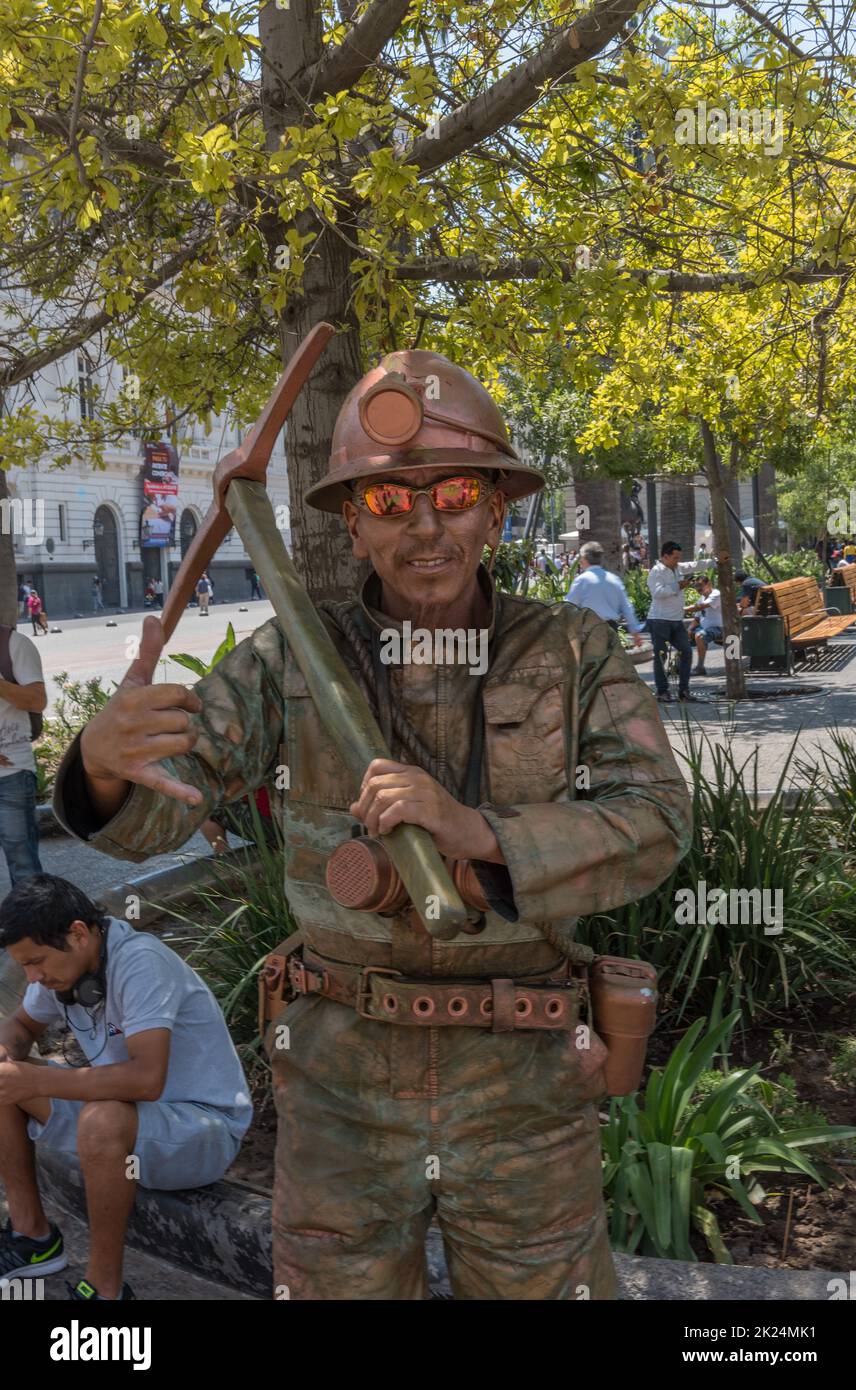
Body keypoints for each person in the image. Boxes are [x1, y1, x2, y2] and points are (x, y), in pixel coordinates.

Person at [52, 349, 692, 1302]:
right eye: (389, 502)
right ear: (353, 525)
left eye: (456, 492)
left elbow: (656, 822)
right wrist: (102, 769)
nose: (425, 524)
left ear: (497, 509)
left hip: (525, 1084)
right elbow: (155, 816)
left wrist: (480, 834)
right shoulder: (286, 661)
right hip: (339, 1087)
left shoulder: (572, 650)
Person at [0, 875, 252, 1301]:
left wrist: (38, 1078)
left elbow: (145, 1080)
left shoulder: (140, 963)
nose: (34, 976)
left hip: (201, 1130)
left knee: (101, 1118)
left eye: (37, 961)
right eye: (24, 965)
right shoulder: (63, 971)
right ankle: (34, 1240)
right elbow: (22, 1025)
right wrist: (5, 1054)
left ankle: (104, 1291)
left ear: (78, 933)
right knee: (6, 1083)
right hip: (134, 1127)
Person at [0, 622, 46, 883]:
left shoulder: (14, 645)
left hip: (11, 773)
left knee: (22, 861)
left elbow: (37, 700)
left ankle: (31, 923)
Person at [647, 540, 701, 703]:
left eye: (679, 557)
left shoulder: (678, 568)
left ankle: (683, 691)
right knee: (660, 657)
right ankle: (662, 691)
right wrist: (677, 586)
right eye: (675, 558)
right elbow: (657, 593)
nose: (678, 561)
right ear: (665, 556)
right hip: (659, 620)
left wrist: (716, 560)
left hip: (677, 620)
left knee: (687, 652)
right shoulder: (656, 571)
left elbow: (694, 565)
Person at [564, 541, 644, 648]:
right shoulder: (614, 579)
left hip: (589, 632)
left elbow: (569, 607)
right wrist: (635, 633)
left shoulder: (581, 580)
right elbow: (627, 608)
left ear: (584, 559)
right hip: (611, 631)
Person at [686, 575, 724, 676]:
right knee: (681, 636)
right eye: (696, 586)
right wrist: (689, 629)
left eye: (700, 585)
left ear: (709, 584)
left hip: (720, 628)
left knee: (700, 636)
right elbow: (697, 619)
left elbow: (701, 606)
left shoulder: (716, 594)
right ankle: (681, 666)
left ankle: (700, 667)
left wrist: (684, 609)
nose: (698, 589)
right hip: (705, 628)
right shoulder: (701, 598)